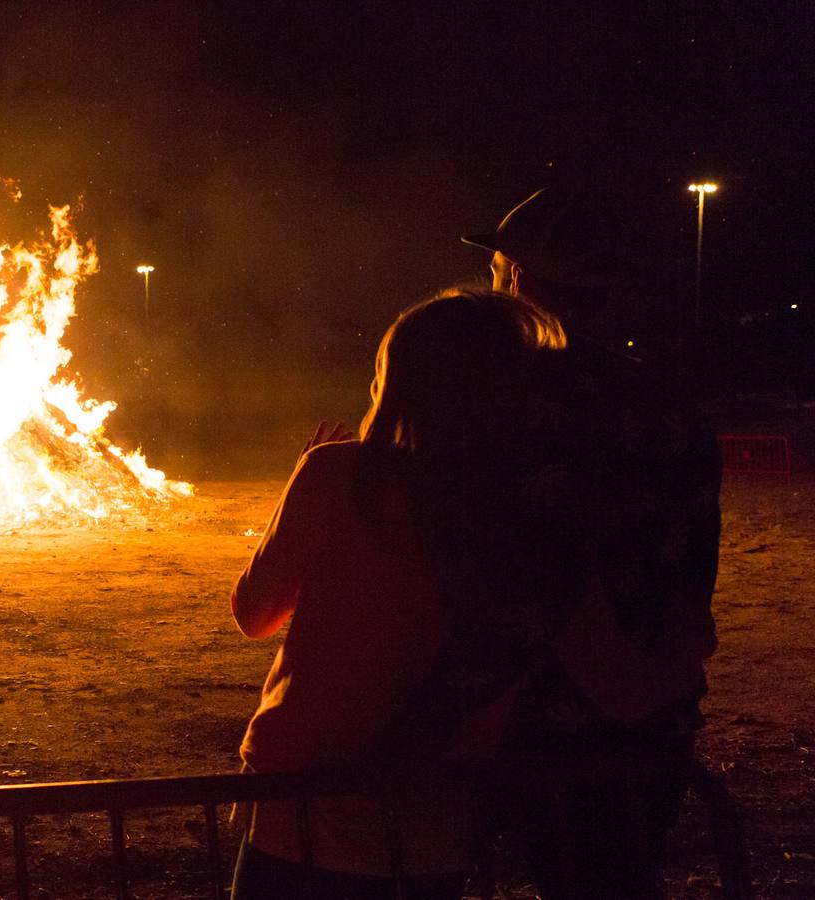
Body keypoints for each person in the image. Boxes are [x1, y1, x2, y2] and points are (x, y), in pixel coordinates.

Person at [229, 289, 576, 900]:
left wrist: (303, 482)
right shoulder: (526, 503)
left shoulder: (337, 474)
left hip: (300, 796)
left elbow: (254, 613)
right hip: (436, 810)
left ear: (397, 379)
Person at [461, 188, 720, 900]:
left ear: (516, 279)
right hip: (660, 729)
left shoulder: (515, 407)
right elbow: (695, 585)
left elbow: (533, 577)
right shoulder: (669, 406)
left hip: (552, 740)